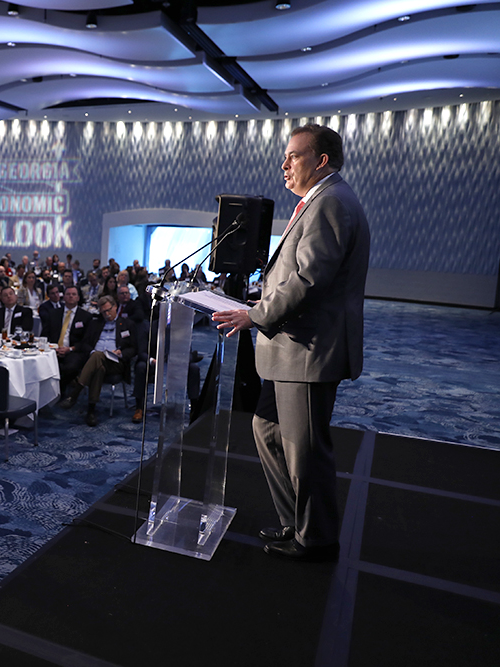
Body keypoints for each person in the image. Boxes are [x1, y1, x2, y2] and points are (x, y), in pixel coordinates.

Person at [212, 124, 370, 562]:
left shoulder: (332, 202)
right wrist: (258, 298)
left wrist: (254, 314)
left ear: (320, 160)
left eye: (293, 156)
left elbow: (310, 279)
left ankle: (315, 537)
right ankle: (295, 522)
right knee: (267, 430)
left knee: (305, 451)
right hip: (291, 349)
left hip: (307, 351)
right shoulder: (320, 201)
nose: (284, 164)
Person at [59, 296, 136, 426]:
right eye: (103, 312)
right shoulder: (95, 324)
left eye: (109, 310)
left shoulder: (127, 324)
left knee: (97, 357)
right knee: (98, 365)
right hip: (96, 359)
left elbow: (134, 348)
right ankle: (91, 411)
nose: (107, 314)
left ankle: (75, 394)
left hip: (116, 362)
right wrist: (92, 352)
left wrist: (121, 353)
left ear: (115, 306)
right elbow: (85, 344)